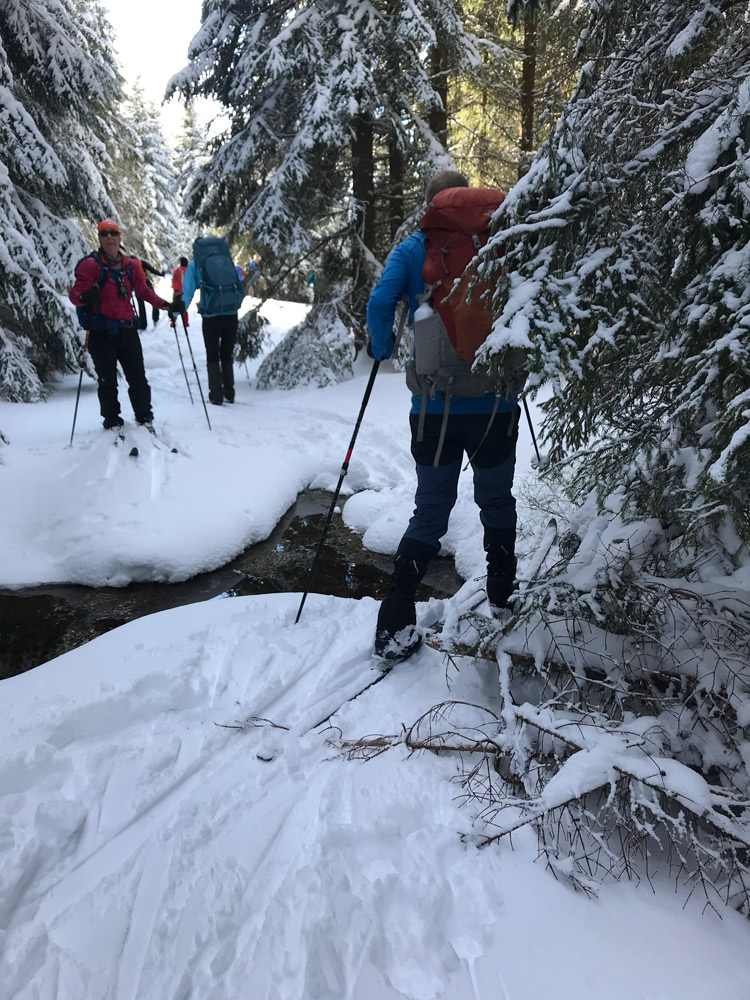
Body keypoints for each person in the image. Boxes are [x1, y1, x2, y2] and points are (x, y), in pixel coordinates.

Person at [367, 170, 519, 662]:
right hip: (496, 403)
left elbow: (380, 301)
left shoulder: (415, 249)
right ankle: (503, 599)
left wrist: (383, 346)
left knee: (431, 508)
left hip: (434, 408)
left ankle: (395, 622)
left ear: (431, 205)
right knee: (496, 498)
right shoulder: (502, 240)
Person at [69, 219, 170, 429]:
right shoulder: (90, 265)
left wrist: (164, 305)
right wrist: (86, 297)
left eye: (113, 233)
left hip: (127, 330)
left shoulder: (131, 266)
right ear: (99, 238)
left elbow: (143, 291)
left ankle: (144, 415)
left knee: (138, 377)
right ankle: (111, 419)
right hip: (101, 333)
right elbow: (75, 295)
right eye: (104, 234)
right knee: (107, 381)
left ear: (119, 237)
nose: (109, 237)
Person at [180, 237, 245, 405]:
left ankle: (216, 395)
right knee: (226, 353)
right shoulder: (226, 261)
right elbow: (240, 287)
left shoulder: (196, 265)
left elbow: (187, 292)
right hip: (231, 314)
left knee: (212, 354)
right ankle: (229, 392)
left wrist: (177, 312)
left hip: (211, 316)